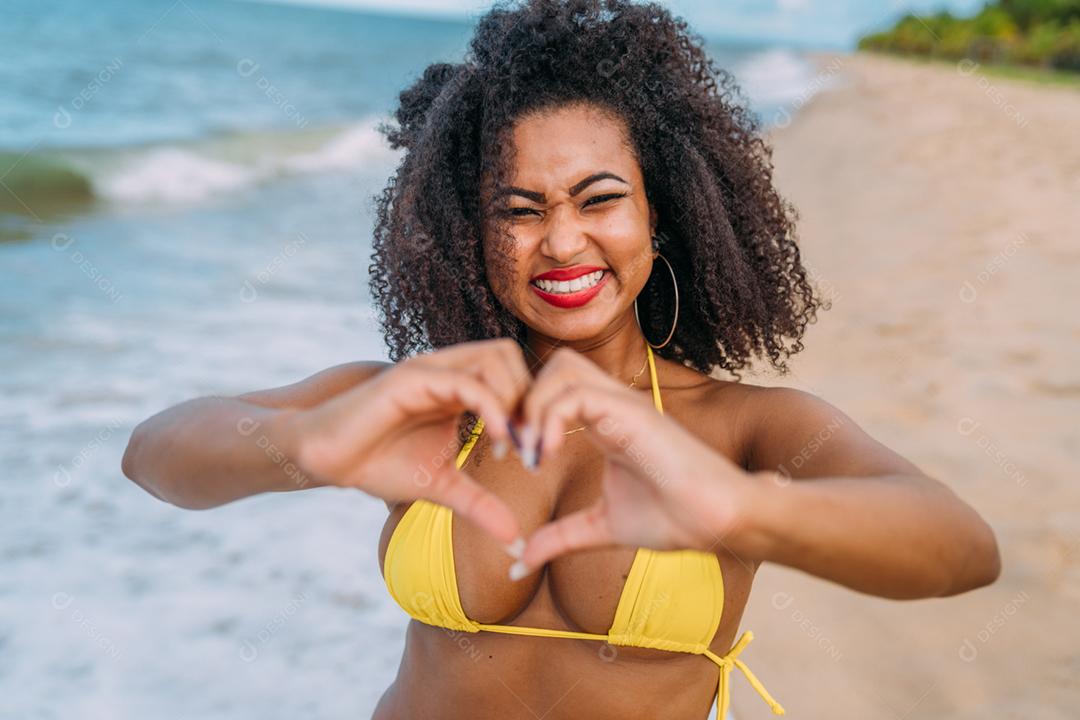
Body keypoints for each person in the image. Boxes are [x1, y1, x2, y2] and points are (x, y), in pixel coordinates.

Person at [122, 1, 1001, 718]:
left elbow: (960, 548)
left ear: (663, 217)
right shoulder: (425, 407)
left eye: (600, 199)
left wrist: (741, 510)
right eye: (519, 210)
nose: (563, 241)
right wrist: (309, 445)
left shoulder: (742, 427)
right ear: (474, 233)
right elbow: (155, 455)